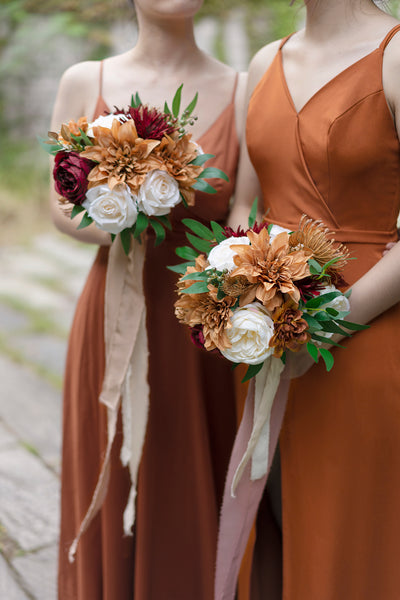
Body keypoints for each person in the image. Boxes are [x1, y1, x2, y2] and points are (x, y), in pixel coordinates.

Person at [50, 1, 247, 598]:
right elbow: (60, 208)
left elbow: (243, 211)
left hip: (201, 325)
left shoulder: (243, 89)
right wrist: (127, 213)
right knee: (112, 471)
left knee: (193, 474)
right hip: (113, 314)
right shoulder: (86, 79)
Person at [229, 0, 400, 597]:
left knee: (345, 539)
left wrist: (326, 325)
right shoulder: (262, 61)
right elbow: (241, 213)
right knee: (273, 520)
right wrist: (234, 300)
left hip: (366, 335)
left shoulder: (396, 56)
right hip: (265, 333)